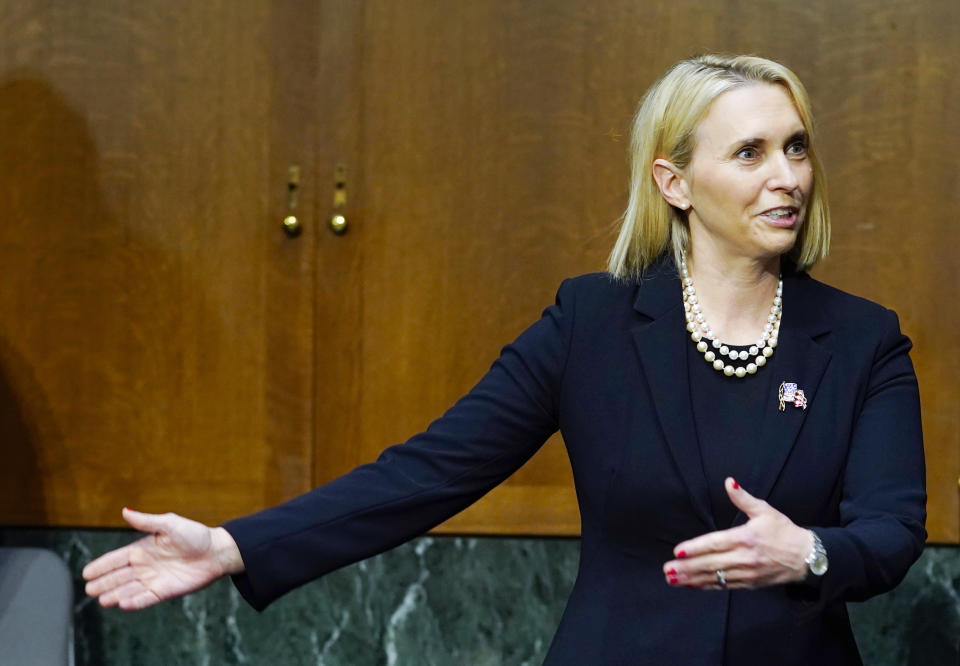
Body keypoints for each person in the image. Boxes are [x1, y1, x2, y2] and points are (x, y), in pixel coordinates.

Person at [83, 54, 926, 664]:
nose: (786, 177)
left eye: (797, 147)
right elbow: (427, 472)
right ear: (674, 182)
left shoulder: (862, 339)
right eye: (750, 153)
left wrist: (809, 554)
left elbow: (891, 531)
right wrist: (233, 545)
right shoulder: (590, 324)